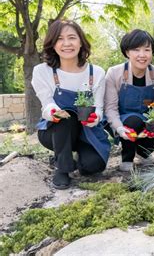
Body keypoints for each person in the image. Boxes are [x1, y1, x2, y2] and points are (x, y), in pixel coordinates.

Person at [32, 20, 110, 189]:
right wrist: (53, 111)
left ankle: (69, 157)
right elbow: (47, 104)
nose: (66, 44)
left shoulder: (96, 73)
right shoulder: (42, 71)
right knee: (66, 115)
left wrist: (95, 117)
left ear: (81, 42)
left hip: (86, 131)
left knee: (93, 166)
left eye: (72, 38)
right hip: (54, 131)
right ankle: (62, 168)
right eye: (60, 39)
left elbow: (98, 108)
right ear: (52, 44)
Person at [104, 29, 154, 172]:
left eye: (147, 50)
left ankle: (142, 152)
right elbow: (110, 108)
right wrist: (119, 129)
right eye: (136, 50)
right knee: (133, 121)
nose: (142, 55)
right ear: (127, 52)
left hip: (146, 119)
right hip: (121, 120)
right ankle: (126, 158)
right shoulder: (114, 73)